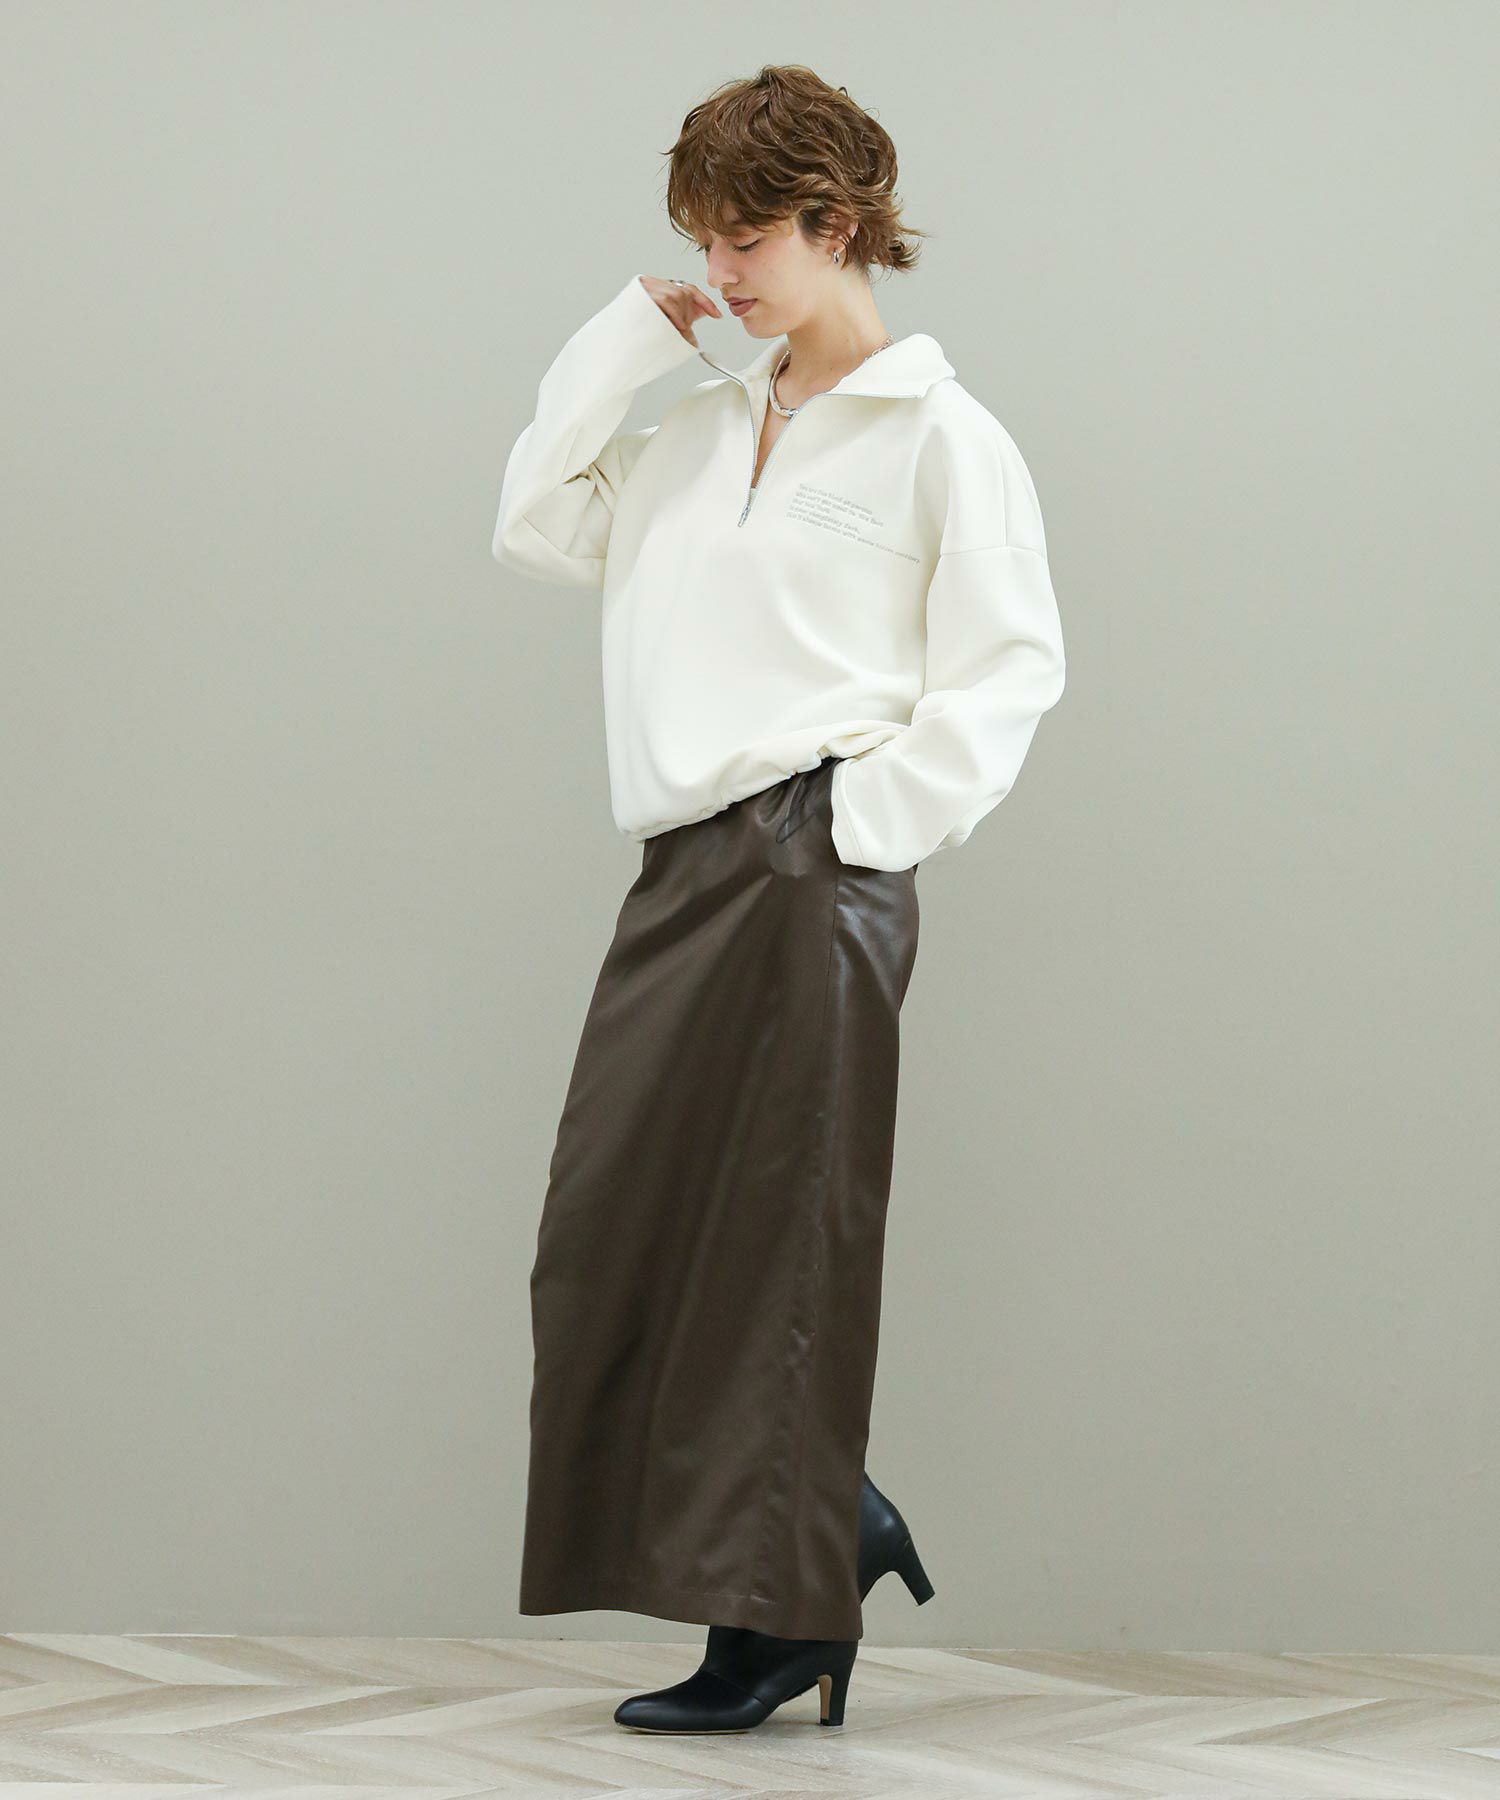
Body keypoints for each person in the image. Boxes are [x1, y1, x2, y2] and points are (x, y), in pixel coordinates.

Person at [491, 63, 1066, 1734]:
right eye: (704, 240)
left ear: (837, 222)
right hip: (683, 868)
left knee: (777, 1248)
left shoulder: (943, 437)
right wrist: (632, 344)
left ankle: (777, 1613)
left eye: (748, 239)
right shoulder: (695, 426)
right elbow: (534, 524)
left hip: (817, 866)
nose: (723, 271)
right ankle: (835, 1519)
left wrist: (861, 825)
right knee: (609, 1239)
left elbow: (1011, 671)